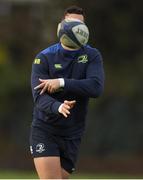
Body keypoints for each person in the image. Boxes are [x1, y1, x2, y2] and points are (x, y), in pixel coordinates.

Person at [30, 6, 104, 179]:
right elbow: (39, 97)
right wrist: (58, 107)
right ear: (61, 26)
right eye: (71, 23)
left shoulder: (92, 55)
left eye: (80, 24)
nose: (75, 28)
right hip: (45, 128)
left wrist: (61, 83)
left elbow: (96, 87)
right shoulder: (44, 57)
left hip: (73, 132)